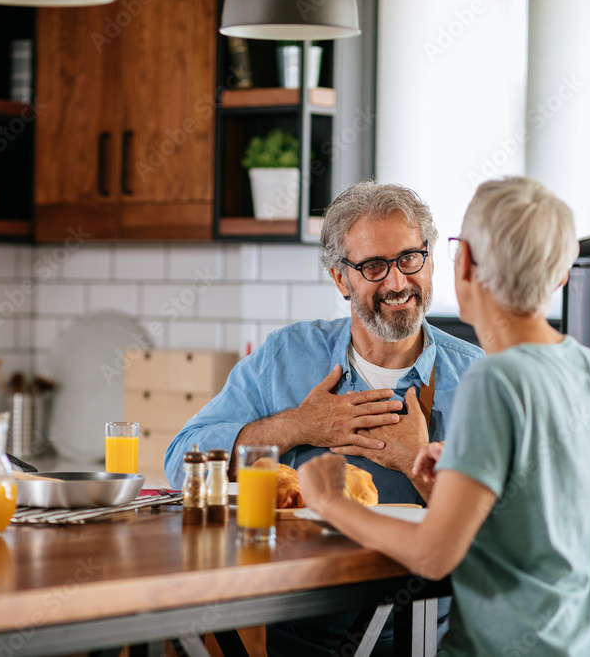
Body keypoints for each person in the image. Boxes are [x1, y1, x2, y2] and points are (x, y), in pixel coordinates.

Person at [298, 176, 590, 656]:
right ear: (561, 274)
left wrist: (330, 502)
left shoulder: (492, 381)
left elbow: (433, 554)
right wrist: (467, 469)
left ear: (465, 264)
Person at [164, 180, 484, 654]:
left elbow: (501, 549)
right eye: (373, 266)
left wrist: (417, 460)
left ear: (431, 259)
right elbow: (180, 460)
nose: (396, 282)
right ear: (341, 279)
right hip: (301, 636)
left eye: (409, 259)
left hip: (427, 639)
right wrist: (297, 426)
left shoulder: (480, 378)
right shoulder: (286, 356)